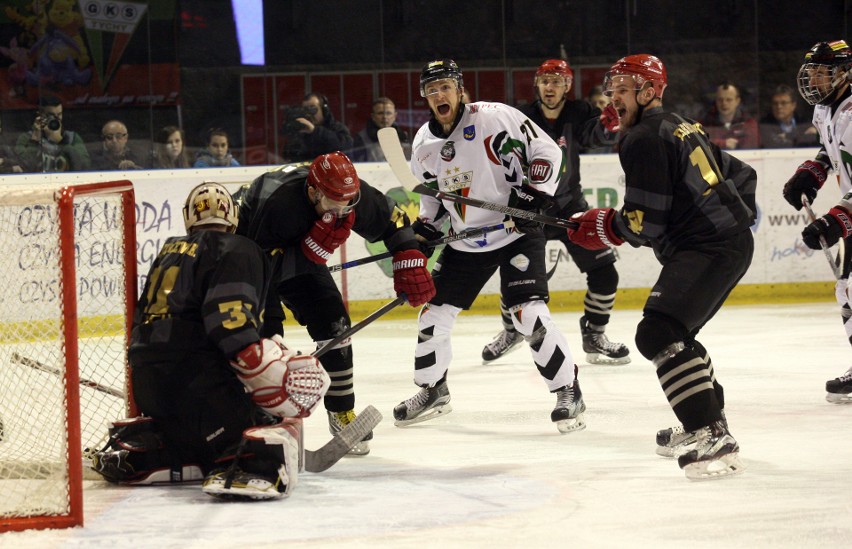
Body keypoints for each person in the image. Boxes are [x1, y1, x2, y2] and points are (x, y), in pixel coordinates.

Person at [567, 54, 756, 479]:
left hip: (710, 247)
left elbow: (644, 221)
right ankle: (709, 420)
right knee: (676, 331)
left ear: (650, 91)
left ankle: (710, 432)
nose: (613, 97)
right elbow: (741, 175)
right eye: (611, 89)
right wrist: (733, 218)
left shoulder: (644, 139)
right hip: (725, 242)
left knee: (658, 331)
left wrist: (604, 224)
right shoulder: (679, 122)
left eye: (624, 89)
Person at [89, 182, 331, 500]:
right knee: (271, 419)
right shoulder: (239, 247)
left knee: (190, 432)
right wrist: (268, 374)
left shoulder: (168, 251)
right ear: (232, 217)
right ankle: (244, 460)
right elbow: (229, 321)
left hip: (147, 386)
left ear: (189, 217)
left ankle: (150, 449)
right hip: (201, 386)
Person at [393, 59, 586, 434]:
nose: (439, 95)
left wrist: (534, 196)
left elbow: (547, 152)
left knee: (526, 313)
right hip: (467, 243)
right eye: (432, 91)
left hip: (515, 228)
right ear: (424, 98)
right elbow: (431, 198)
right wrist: (427, 229)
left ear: (460, 89)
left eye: (445, 87)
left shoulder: (494, 117)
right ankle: (433, 390)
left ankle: (568, 390)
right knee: (433, 317)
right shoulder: (423, 145)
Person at [236, 151, 434, 455]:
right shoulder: (279, 204)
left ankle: (341, 412)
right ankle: (261, 410)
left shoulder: (346, 192)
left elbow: (391, 219)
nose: (342, 210)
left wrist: (407, 254)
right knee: (268, 336)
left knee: (336, 324)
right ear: (313, 192)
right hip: (249, 257)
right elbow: (259, 266)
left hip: (296, 249)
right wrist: (306, 253)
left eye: (349, 202)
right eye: (333, 203)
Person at [480, 59, 629, 366]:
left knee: (605, 273)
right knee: (516, 278)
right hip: (528, 208)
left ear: (567, 86)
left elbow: (594, 137)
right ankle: (511, 331)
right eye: (545, 81)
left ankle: (594, 335)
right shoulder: (521, 116)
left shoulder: (580, 112)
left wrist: (609, 128)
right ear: (537, 84)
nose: (550, 87)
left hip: (570, 209)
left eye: (557, 81)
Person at [782, 40, 852, 403]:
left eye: (822, 71)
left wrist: (838, 218)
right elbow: (831, 150)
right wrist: (811, 174)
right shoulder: (825, 110)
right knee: (848, 291)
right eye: (811, 70)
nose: (812, 77)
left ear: (843, 73)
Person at [15, 94, 90, 172]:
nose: (56, 119)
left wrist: (61, 141)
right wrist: (35, 140)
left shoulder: (72, 138)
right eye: (51, 115)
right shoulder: (26, 138)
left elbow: (85, 164)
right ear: (40, 115)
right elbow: (22, 166)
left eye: (59, 114)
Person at [281, 92, 354, 163]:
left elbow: (346, 146)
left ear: (324, 110)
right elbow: (290, 156)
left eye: (312, 109)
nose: (308, 114)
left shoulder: (336, 127)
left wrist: (314, 130)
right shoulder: (300, 132)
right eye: (305, 110)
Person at [701, 81, 760, 150]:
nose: (724, 103)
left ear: (737, 101)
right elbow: (698, 143)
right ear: (716, 101)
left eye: (729, 100)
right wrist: (723, 143)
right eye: (720, 100)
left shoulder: (749, 123)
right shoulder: (705, 123)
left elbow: (752, 146)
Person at [759, 84, 820, 148]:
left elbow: (813, 141)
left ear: (793, 105)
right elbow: (773, 144)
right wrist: (801, 136)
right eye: (775, 103)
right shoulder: (765, 124)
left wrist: (787, 136)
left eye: (783, 103)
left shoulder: (804, 122)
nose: (779, 107)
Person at [350, 97, 409, 162]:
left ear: (395, 116)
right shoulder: (361, 138)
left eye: (388, 113)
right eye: (380, 113)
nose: (385, 117)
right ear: (373, 116)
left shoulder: (402, 136)